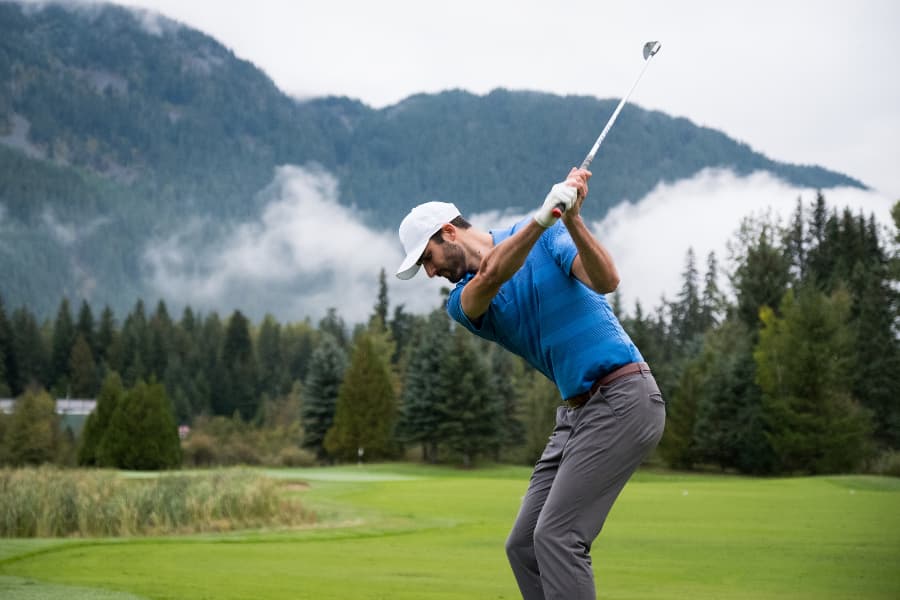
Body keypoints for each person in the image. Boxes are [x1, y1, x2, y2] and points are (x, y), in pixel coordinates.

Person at [395, 167, 666, 600]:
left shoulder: (547, 232)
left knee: (558, 537)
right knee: (523, 546)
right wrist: (545, 219)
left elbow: (607, 280)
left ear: (448, 232)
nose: (429, 273)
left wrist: (572, 218)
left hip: (625, 395)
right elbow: (492, 276)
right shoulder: (463, 302)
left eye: (426, 258)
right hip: (578, 414)